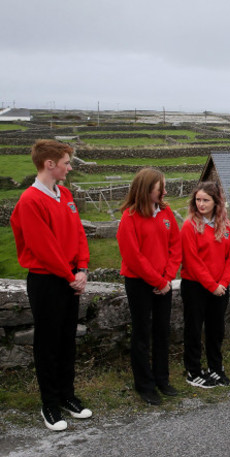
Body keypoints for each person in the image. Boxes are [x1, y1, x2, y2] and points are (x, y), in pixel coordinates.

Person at [10, 140, 92, 431]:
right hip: (47, 280)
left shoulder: (65, 194)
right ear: (50, 164)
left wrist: (82, 267)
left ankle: (67, 396)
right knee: (48, 343)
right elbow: (43, 247)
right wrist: (70, 276)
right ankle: (49, 404)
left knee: (66, 339)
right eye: (66, 163)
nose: (69, 167)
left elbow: (79, 233)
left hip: (70, 276)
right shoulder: (30, 201)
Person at [117, 168, 181, 405]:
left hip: (163, 282)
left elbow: (176, 244)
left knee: (162, 331)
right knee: (142, 333)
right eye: (160, 187)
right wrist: (158, 281)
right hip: (140, 283)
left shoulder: (166, 212)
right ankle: (145, 385)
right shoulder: (129, 217)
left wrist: (168, 277)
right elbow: (133, 257)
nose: (165, 191)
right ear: (147, 189)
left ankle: (162, 379)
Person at [180, 182, 230, 388]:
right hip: (196, 286)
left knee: (216, 330)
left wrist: (222, 283)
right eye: (198, 200)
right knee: (194, 330)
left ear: (216, 202)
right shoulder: (190, 226)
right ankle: (193, 371)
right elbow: (192, 261)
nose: (201, 204)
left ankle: (215, 367)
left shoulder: (227, 225)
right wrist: (211, 285)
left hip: (220, 287)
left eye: (206, 200)